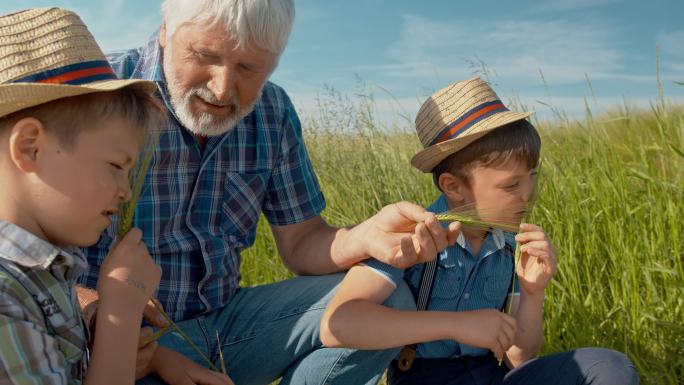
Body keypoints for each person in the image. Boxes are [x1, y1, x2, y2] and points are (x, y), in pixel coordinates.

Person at [74, 1, 460, 384]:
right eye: (204, 55)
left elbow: (302, 243)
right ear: (164, 32)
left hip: (230, 325)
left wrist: (367, 237)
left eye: (248, 68)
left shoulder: (273, 111)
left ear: (275, 61)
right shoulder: (101, 92)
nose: (222, 88)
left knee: (387, 299)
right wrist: (98, 315)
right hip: (122, 337)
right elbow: (19, 256)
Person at [320, 77, 640, 385]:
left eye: (532, 176)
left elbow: (519, 355)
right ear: (453, 186)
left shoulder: (510, 246)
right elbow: (340, 325)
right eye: (512, 184)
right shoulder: (408, 235)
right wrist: (457, 325)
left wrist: (533, 292)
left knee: (608, 367)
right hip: (423, 376)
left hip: (491, 374)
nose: (529, 193)